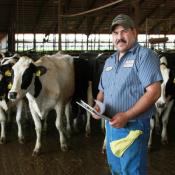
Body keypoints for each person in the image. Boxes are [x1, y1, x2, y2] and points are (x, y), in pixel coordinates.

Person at [92, 14, 162, 175]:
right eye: (115, 33)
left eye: (124, 31)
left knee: (132, 171)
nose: (119, 37)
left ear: (134, 32)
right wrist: (97, 106)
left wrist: (126, 115)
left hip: (133, 125)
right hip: (111, 125)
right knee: (115, 169)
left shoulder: (144, 56)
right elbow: (102, 91)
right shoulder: (109, 61)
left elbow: (154, 92)